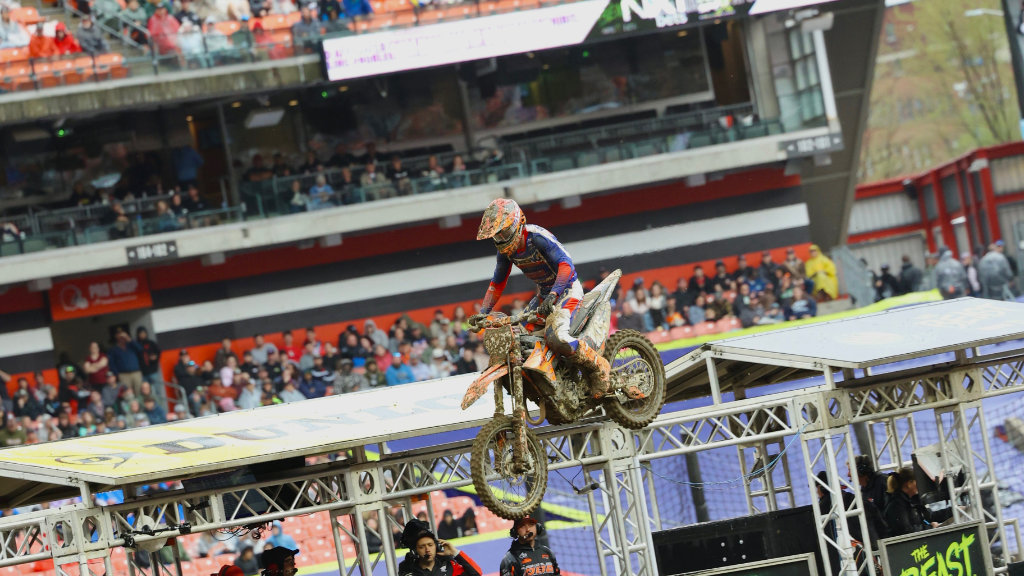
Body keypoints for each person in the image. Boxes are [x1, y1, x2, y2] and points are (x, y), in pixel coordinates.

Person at [475, 198, 616, 398]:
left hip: (567, 290)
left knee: (557, 337)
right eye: (497, 236)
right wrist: (483, 313)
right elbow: (497, 283)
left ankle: (599, 367)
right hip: (544, 296)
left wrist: (553, 294)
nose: (501, 239)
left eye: (504, 233)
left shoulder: (536, 237)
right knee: (518, 339)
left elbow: (566, 265)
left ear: (517, 223)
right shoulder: (505, 253)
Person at [398, 519, 481, 576]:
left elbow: (476, 574)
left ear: (436, 546)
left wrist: (455, 553)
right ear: (415, 551)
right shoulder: (407, 570)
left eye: (430, 545)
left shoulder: (448, 565)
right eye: (422, 547)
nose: (427, 550)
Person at [884, 467, 937, 537]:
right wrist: (929, 527)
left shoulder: (912, 501)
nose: (918, 484)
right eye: (916, 481)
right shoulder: (896, 506)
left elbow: (928, 516)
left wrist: (948, 512)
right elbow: (906, 530)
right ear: (909, 484)